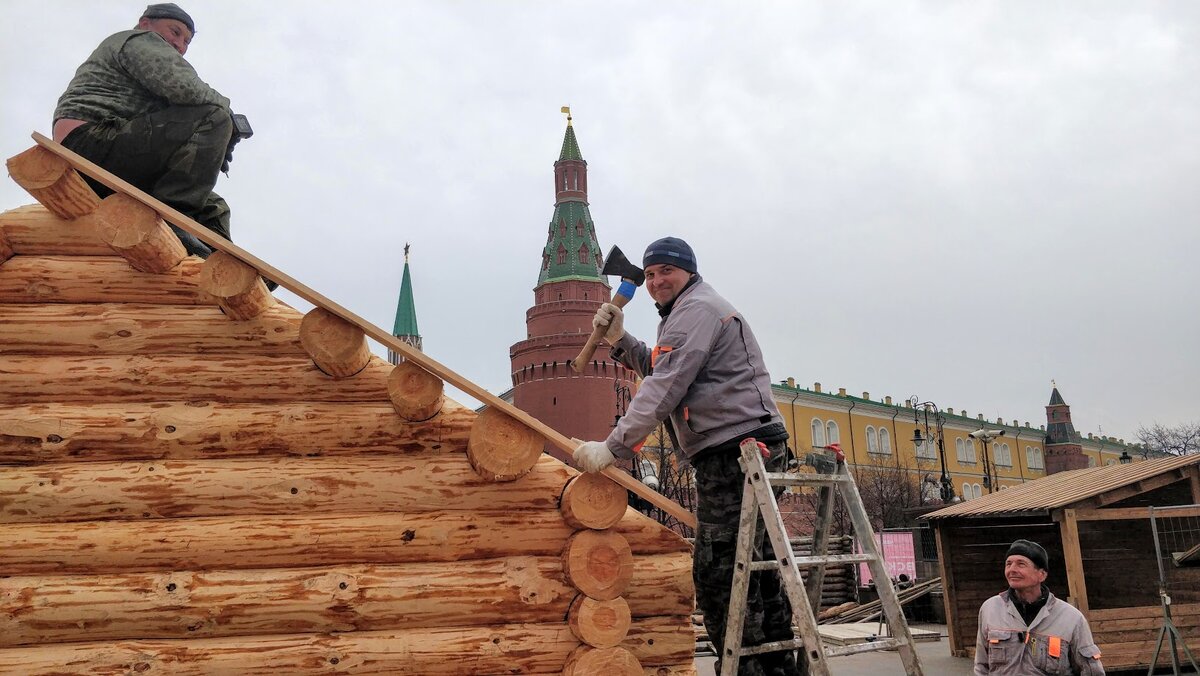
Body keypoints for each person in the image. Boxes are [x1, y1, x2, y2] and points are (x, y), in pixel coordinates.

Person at [574, 237, 802, 676]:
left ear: (689, 272)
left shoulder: (694, 312)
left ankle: (748, 670)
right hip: (748, 446)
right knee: (758, 569)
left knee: (722, 574)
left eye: (666, 272)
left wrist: (613, 446)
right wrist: (621, 339)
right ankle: (778, 668)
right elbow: (664, 368)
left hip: (737, 453)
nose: (657, 281)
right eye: (651, 273)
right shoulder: (686, 313)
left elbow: (663, 388)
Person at [52, 3, 237, 258]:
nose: (180, 44)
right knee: (214, 116)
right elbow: (186, 88)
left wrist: (213, 149)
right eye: (175, 31)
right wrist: (229, 120)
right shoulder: (138, 40)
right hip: (87, 144)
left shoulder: (147, 70)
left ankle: (222, 259)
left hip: (118, 150)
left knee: (213, 206)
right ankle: (172, 220)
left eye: (186, 41)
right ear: (145, 23)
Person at [974, 539, 1105, 675]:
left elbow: (1092, 671)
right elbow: (981, 666)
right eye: (1008, 564)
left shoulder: (1071, 618)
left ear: (1041, 574)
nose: (1012, 569)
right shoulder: (990, 609)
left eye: (1021, 564)